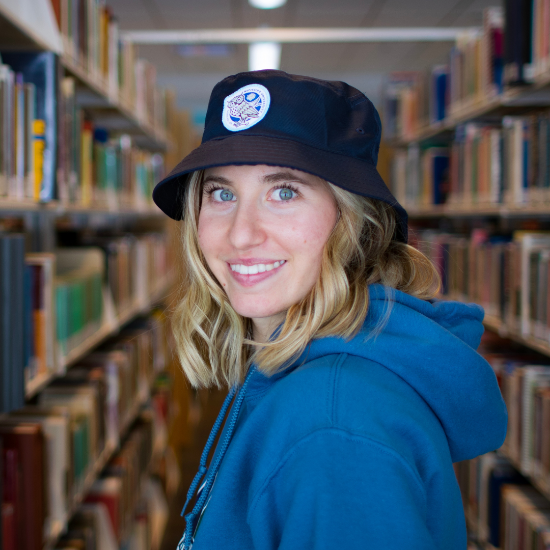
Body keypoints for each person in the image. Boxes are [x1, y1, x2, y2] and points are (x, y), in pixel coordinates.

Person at [152, 70, 507, 550]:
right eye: (221, 193)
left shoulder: (335, 427)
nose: (240, 234)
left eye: (284, 192)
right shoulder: (300, 373)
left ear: (354, 220)